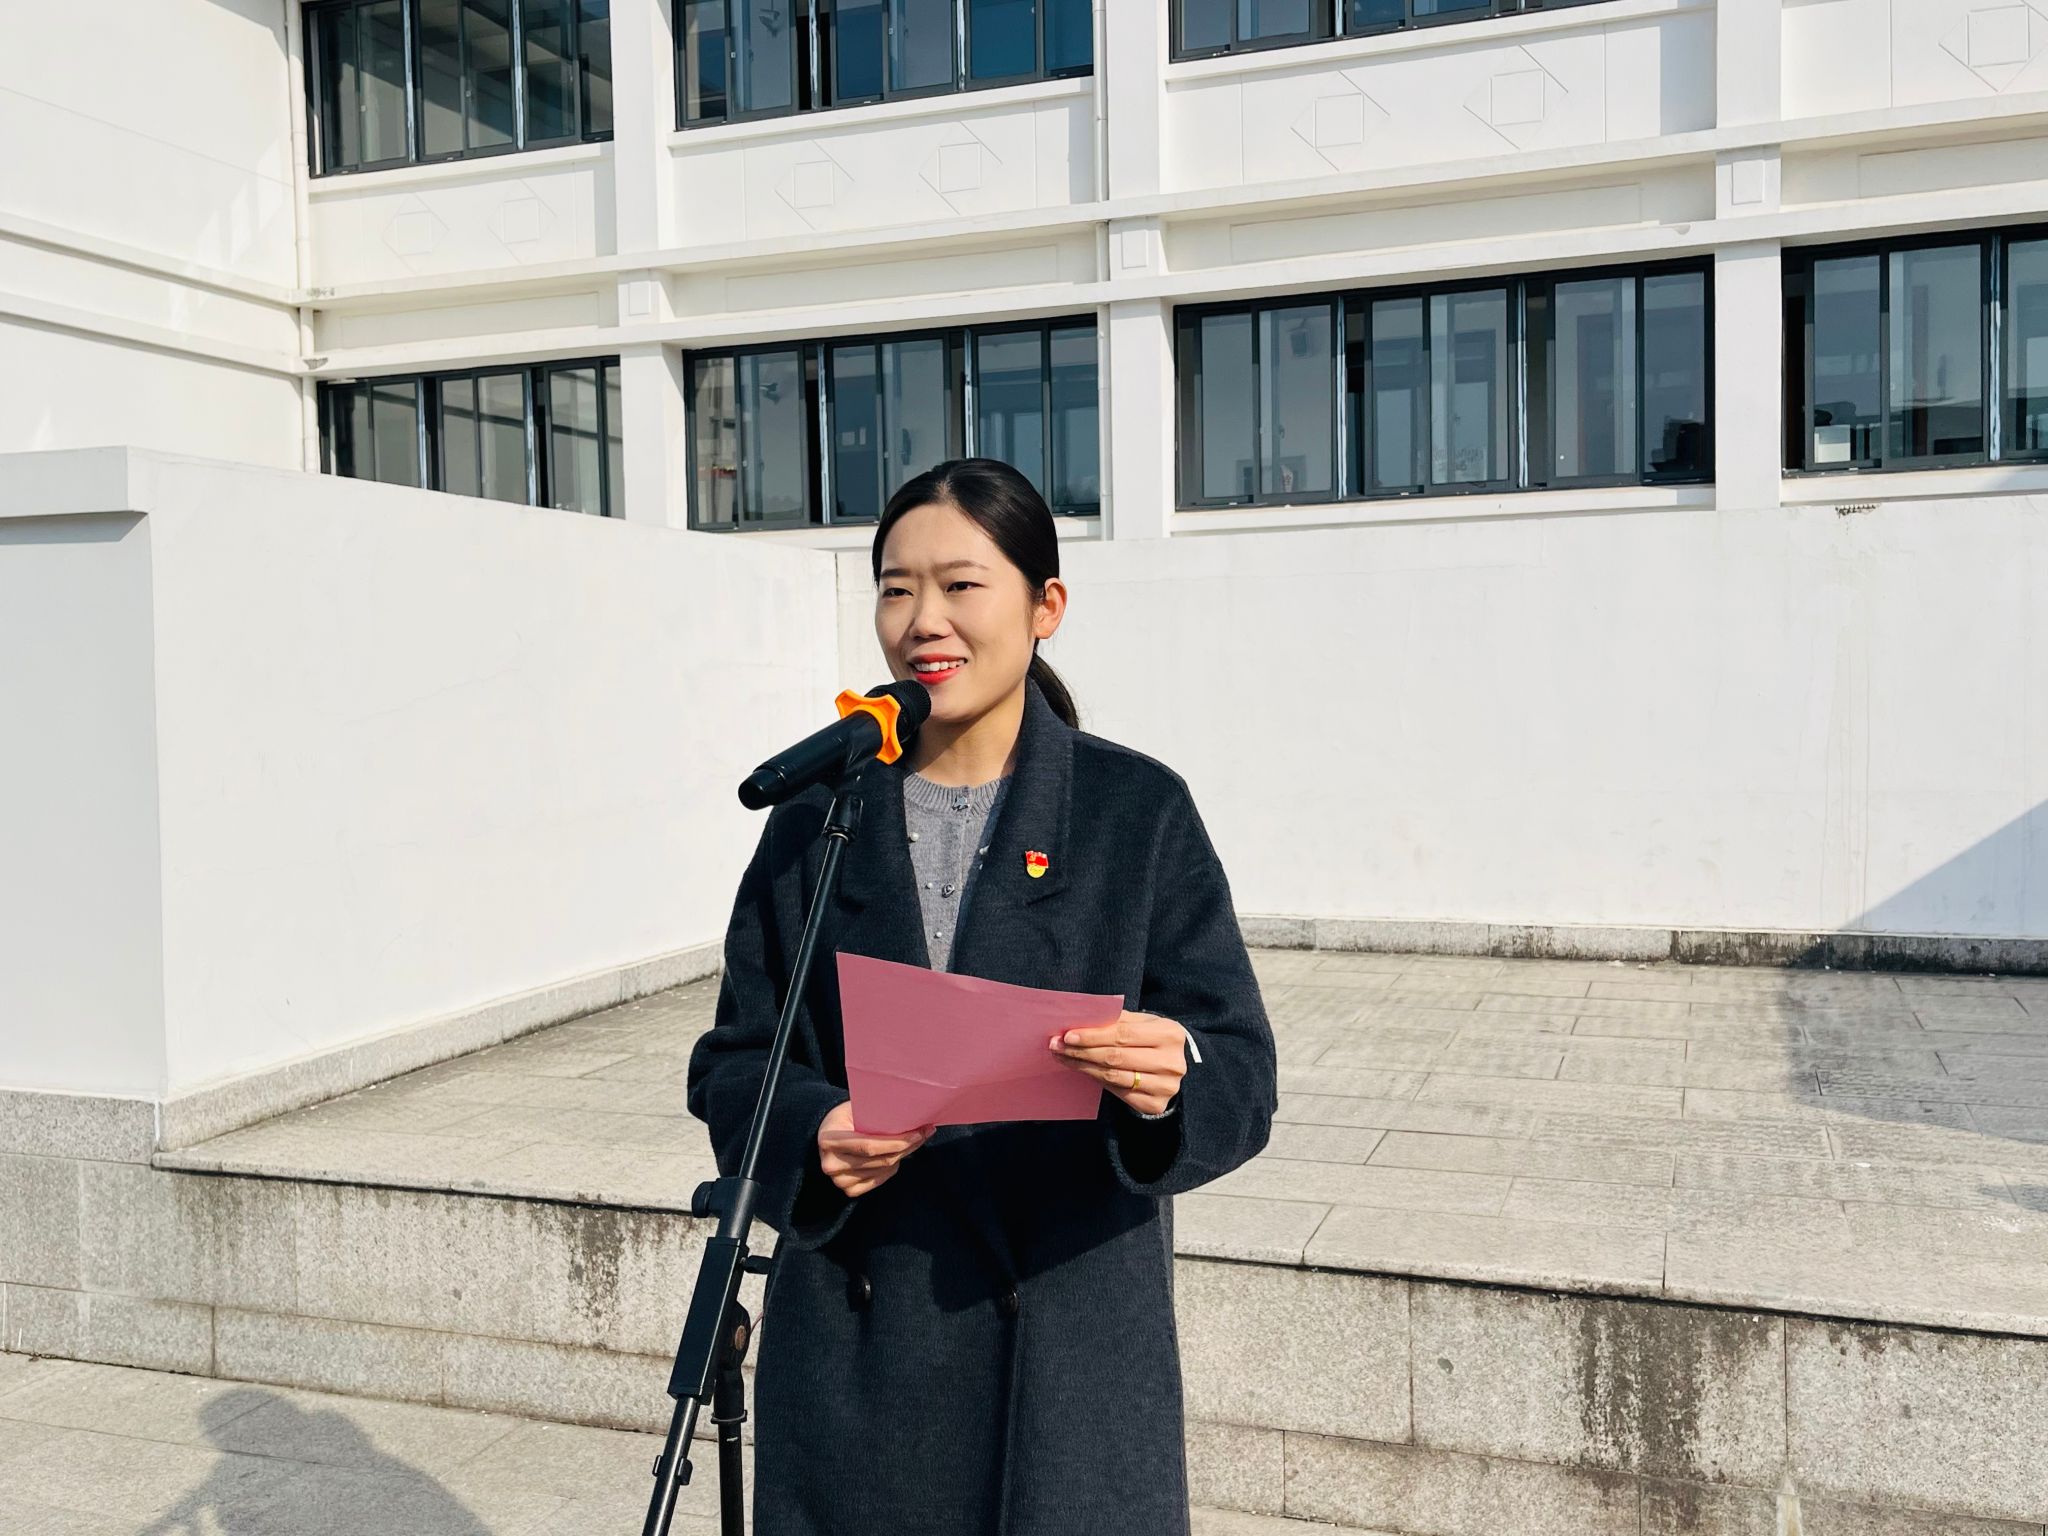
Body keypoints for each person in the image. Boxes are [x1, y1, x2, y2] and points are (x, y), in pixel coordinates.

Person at [686, 457, 1279, 1536]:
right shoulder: (819, 818)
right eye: (896, 588)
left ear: (1045, 606)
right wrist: (812, 1130)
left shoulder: (1133, 811)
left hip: (1067, 1347)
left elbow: (1238, 1067)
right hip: (863, 1342)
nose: (924, 620)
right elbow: (734, 1060)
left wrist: (1168, 1081)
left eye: (961, 585)